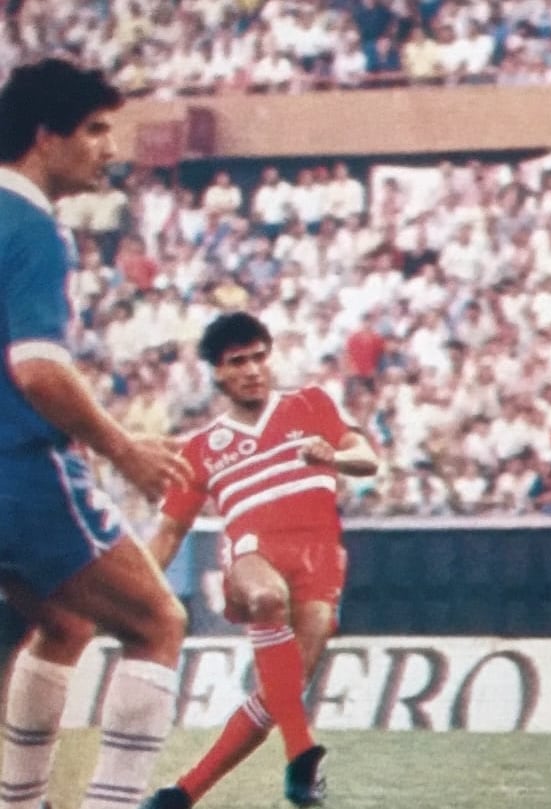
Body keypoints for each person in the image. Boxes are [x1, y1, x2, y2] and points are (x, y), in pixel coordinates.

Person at [0, 59, 194, 809]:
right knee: (157, 621)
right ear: (45, 136)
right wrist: (126, 448)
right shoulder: (32, 229)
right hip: (20, 469)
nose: (110, 147)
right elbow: (39, 371)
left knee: (63, 619)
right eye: (94, 129)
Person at [140, 313, 378, 809]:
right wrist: (132, 591)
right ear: (218, 372)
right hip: (254, 554)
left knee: (280, 691)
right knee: (267, 597)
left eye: (259, 357)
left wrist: (331, 458)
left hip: (321, 558)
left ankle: (181, 795)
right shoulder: (202, 448)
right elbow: (169, 532)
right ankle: (301, 750)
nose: (252, 370)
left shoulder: (311, 404)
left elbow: (368, 459)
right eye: (237, 362)